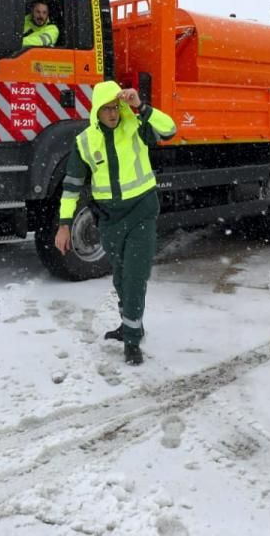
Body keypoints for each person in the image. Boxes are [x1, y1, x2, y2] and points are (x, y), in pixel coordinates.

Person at [54, 81, 176, 365]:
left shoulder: (135, 125)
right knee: (121, 276)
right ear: (97, 111)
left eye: (116, 107)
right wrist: (64, 224)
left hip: (141, 211)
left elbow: (170, 129)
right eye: (106, 108)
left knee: (135, 275)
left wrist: (140, 106)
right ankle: (130, 323)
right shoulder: (85, 141)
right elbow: (72, 186)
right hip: (109, 219)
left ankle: (132, 341)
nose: (112, 114)